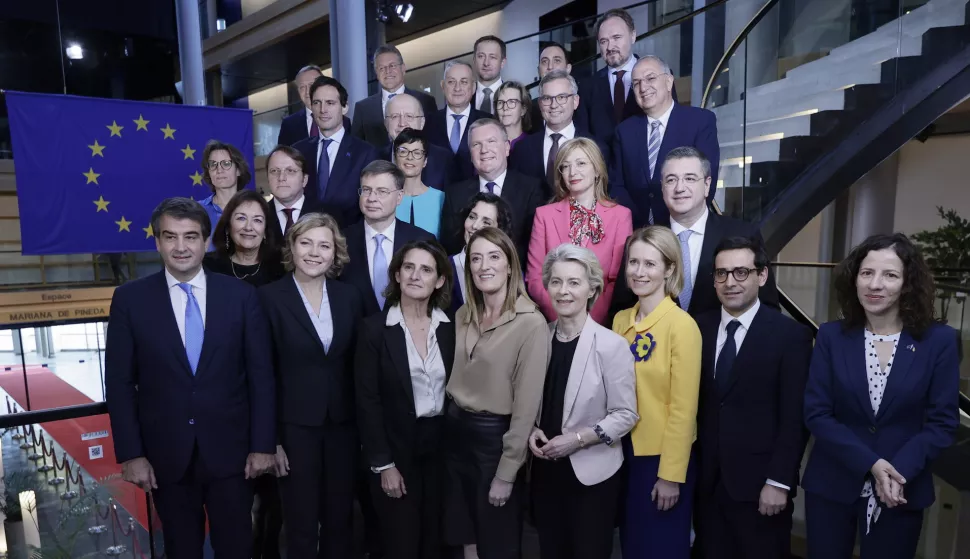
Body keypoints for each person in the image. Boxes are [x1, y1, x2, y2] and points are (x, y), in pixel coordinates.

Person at [105, 197, 276, 558]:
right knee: (181, 550)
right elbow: (119, 384)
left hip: (233, 455)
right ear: (157, 242)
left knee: (237, 549)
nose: (180, 247)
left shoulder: (242, 297)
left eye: (191, 236)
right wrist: (131, 454)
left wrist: (263, 444)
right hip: (166, 457)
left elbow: (261, 376)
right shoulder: (129, 300)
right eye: (170, 237)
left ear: (206, 241)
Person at [802, 233, 960, 559]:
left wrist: (897, 470)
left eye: (890, 275)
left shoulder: (939, 341)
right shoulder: (831, 336)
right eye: (867, 273)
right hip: (832, 486)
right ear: (854, 279)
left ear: (907, 284)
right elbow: (817, 414)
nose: (875, 284)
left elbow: (943, 422)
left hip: (901, 487)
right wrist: (872, 464)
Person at [693, 236, 813, 559]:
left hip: (762, 490)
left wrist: (779, 481)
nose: (730, 282)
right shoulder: (696, 329)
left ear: (762, 276)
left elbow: (794, 419)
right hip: (706, 487)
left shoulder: (791, 336)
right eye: (721, 273)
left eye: (741, 272)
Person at [259, 212, 364, 559]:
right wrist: (271, 440)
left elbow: (357, 367)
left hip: (343, 428)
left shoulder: (350, 297)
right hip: (293, 431)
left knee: (341, 521)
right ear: (292, 246)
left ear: (336, 252)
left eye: (324, 245)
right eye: (306, 243)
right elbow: (262, 374)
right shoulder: (268, 299)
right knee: (300, 524)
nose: (315, 253)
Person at [443, 226, 549, 559]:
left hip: (494, 442)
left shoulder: (531, 323)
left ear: (510, 265)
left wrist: (507, 472)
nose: (483, 266)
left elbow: (526, 407)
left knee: (497, 540)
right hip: (454, 434)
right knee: (466, 533)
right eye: (475, 258)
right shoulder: (463, 315)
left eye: (493, 257)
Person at [528, 244, 638, 559]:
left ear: (592, 289)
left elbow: (625, 414)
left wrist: (576, 440)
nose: (563, 291)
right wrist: (530, 429)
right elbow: (530, 400)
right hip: (545, 473)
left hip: (592, 478)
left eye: (574, 282)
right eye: (556, 281)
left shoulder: (611, 345)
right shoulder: (538, 338)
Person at [356, 239, 456, 559]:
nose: (415, 275)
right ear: (397, 275)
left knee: (435, 542)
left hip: (442, 450)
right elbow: (367, 401)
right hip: (396, 450)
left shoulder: (452, 328)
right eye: (409, 267)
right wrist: (384, 464)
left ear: (439, 280)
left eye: (426, 270)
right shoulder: (374, 330)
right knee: (401, 542)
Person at [611, 226, 702, 559]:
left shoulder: (682, 326)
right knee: (632, 546)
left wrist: (670, 475)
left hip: (660, 459)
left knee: (660, 548)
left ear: (669, 269)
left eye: (650, 264)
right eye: (633, 262)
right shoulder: (620, 320)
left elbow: (683, 410)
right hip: (621, 454)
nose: (639, 271)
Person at [609, 147, 779, 321]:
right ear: (662, 188)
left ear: (707, 185)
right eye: (671, 180)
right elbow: (621, 312)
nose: (679, 188)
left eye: (690, 178)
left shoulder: (744, 234)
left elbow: (768, 308)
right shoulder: (642, 241)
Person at [526, 138, 631, 325]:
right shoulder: (544, 215)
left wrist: (589, 322)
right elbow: (535, 279)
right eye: (565, 166)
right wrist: (563, 317)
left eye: (581, 163)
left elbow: (616, 280)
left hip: (601, 323)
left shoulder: (621, 216)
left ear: (597, 169)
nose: (572, 172)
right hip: (555, 322)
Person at [611, 55, 719, 228]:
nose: (643, 87)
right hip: (638, 230)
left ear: (669, 82)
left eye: (650, 78)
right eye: (636, 83)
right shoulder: (624, 131)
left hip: (683, 227)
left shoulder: (700, 121)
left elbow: (707, 179)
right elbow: (617, 186)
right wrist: (641, 227)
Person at [439, 118, 544, 263]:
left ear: (507, 148)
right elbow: (450, 247)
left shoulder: (532, 189)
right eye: (476, 144)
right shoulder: (455, 194)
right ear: (470, 154)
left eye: (491, 141)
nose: (484, 150)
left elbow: (533, 248)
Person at [341, 160, 435, 317]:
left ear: (399, 197)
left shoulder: (422, 240)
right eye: (366, 190)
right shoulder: (340, 240)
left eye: (382, 191)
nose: (371, 198)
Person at [293, 76, 378, 228]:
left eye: (330, 103)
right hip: (306, 237)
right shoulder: (298, 151)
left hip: (348, 238)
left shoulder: (365, 153)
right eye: (317, 103)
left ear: (345, 107)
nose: (323, 110)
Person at [509, 70, 607, 199]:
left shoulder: (597, 147)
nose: (554, 105)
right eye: (547, 98)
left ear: (575, 101)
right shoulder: (522, 149)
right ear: (540, 104)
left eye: (561, 97)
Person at [351, 45, 438, 148]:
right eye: (382, 68)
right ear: (376, 73)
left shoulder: (426, 101)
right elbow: (356, 147)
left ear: (403, 68)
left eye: (392, 66)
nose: (388, 71)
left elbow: (434, 141)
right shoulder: (363, 108)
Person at [579, 9, 641, 145]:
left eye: (616, 38)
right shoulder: (587, 87)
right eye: (603, 41)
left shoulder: (658, 77)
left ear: (633, 36)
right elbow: (585, 140)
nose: (610, 47)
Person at [449, 192, 514, 316]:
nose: (475, 226)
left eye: (486, 222)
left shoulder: (509, 268)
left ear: (499, 230)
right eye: (472, 217)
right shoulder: (445, 267)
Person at [205, 189, 285, 287]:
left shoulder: (282, 268)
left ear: (265, 230)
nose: (248, 227)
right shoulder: (208, 266)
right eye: (241, 218)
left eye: (257, 220)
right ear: (228, 227)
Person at [379, 93, 458, 188]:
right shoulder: (375, 157)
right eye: (395, 116)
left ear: (422, 123)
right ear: (386, 123)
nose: (402, 123)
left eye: (409, 116)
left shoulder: (443, 159)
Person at [426, 61, 489, 181]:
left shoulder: (488, 121)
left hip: (476, 191)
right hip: (436, 191)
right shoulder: (427, 122)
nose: (457, 88)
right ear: (443, 86)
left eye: (464, 82)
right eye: (451, 82)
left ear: (474, 87)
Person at [199, 140, 252, 251]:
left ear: (238, 170)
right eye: (213, 164)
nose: (219, 170)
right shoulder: (197, 210)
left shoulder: (254, 208)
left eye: (226, 163)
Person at [393, 128, 446, 238]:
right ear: (394, 158)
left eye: (417, 153)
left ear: (425, 161)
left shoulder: (441, 198)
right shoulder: (387, 197)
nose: (410, 157)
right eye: (403, 151)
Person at [265, 145, 309, 236]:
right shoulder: (260, 214)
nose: (281, 178)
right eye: (274, 171)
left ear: (304, 180)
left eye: (290, 171)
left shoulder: (326, 213)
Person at [530, 42, 573, 129]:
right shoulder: (530, 109)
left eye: (557, 60)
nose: (550, 67)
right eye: (545, 61)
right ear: (538, 70)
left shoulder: (583, 105)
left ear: (568, 68)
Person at [278, 65, 323, 146]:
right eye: (302, 87)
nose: (307, 91)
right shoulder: (289, 124)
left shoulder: (338, 117)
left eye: (311, 85)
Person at [473, 35, 506, 116]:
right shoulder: (463, 95)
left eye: (492, 57)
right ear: (474, 60)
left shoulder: (515, 96)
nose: (486, 63)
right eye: (481, 56)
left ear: (502, 62)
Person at [494, 81, 531, 149]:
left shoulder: (533, 144)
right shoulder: (490, 145)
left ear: (523, 110)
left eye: (511, 102)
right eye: (500, 102)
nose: (505, 108)